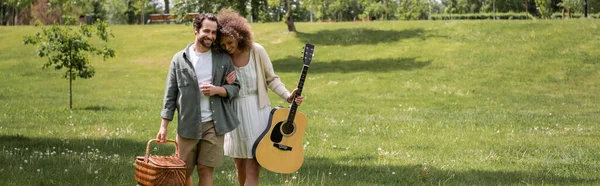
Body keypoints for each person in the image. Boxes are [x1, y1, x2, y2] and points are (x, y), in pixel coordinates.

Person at [217, 9, 304, 186]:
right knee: (239, 165)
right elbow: (218, 86)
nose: (227, 47)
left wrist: (288, 96)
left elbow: (271, 79)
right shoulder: (222, 58)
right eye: (223, 44)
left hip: (257, 112)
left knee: (253, 165)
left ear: (239, 34)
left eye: (230, 42)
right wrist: (224, 82)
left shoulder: (257, 51)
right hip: (234, 115)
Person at [156, 13, 241, 186]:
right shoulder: (180, 59)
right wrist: (163, 126)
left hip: (214, 124)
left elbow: (235, 87)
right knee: (184, 171)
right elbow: (170, 95)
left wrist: (218, 89)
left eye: (214, 32)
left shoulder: (222, 59)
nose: (210, 36)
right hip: (188, 124)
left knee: (205, 169)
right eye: (206, 31)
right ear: (196, 30)